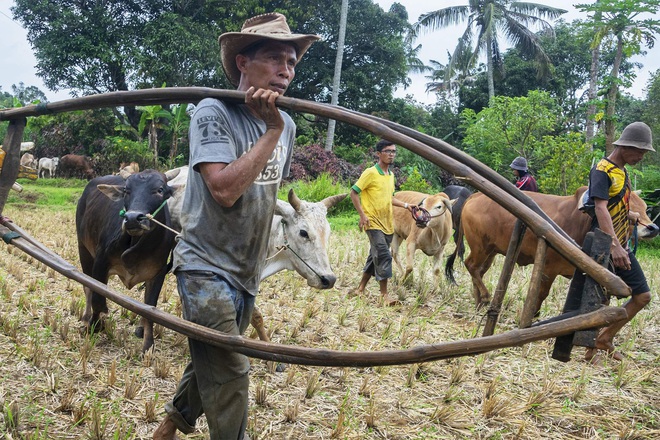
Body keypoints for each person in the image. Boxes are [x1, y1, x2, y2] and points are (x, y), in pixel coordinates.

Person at [152, 13, 319, 440]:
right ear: (242, 63)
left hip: (246, 270)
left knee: (212, 358)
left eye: (292, 61)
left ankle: (167, 428)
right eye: (275, 58)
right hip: (205, 265)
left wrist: (278, 127)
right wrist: (271, 129)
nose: (287, 70)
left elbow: (263, 195)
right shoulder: (213, 111)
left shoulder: (290, 125)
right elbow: (224, 190)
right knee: (232, 372)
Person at [583, 121, 655, 364]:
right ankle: (590, 349)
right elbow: (600, 208)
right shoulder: (602, 170)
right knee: (598, 297)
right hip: (604, 244)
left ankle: (604, 338)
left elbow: (614, 204)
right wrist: (614, 246)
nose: (641, 157)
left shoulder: (621, 171)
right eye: (640, 152)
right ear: (625, 147)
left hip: (620, 242)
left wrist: (631, 215)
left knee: (642, 296)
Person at [349, 139, 412, 306]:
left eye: (393, 151)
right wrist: (362, 215)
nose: (391, 154)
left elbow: (389, 198)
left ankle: (360, 289)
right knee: (384, 255)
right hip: (372, 222)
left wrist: (407, 205)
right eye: (388, 151)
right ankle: (384, 296)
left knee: (374, 256)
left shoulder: (390, 175)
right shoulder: (370, 173)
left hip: (387, 223)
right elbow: (354, 193)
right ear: (379, 154)